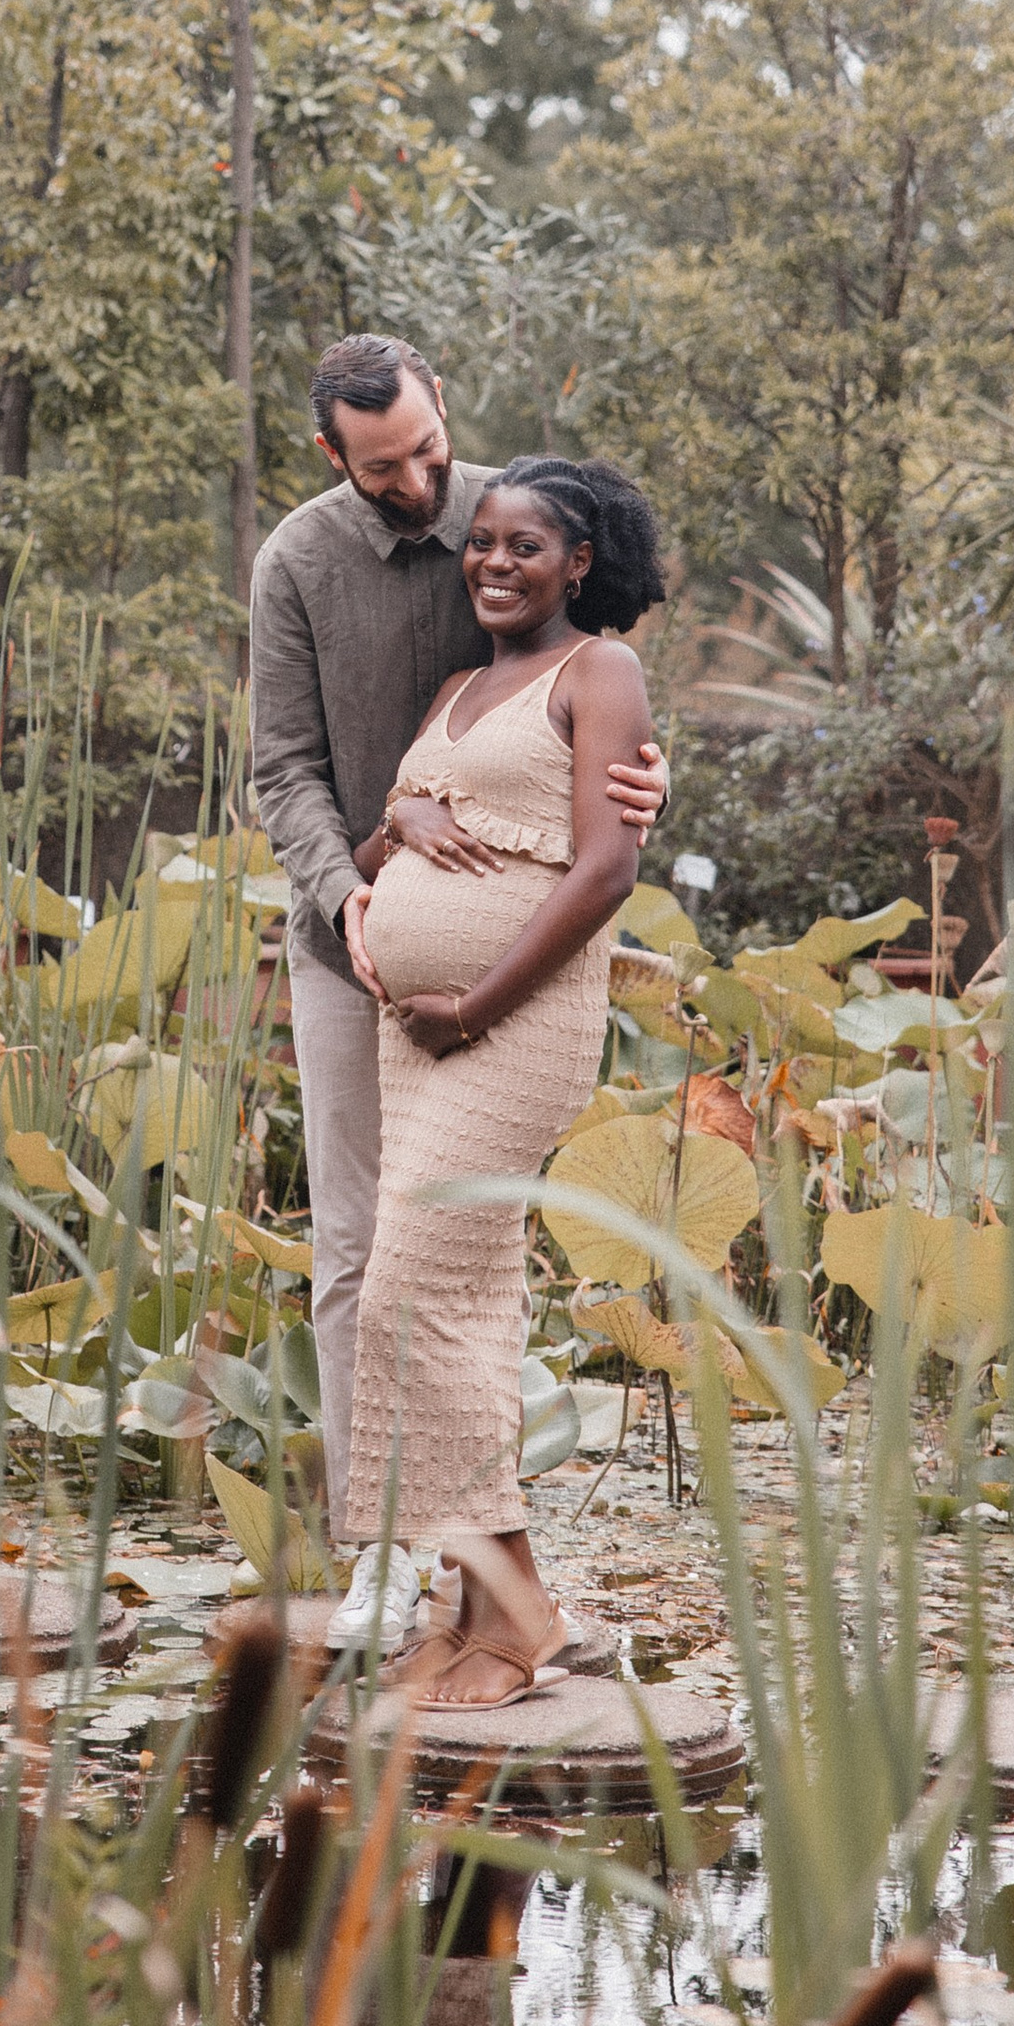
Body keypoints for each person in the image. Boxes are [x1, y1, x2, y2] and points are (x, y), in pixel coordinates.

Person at [248, 337, 666, 1651]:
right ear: (334, 459)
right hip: (348, 954)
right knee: (357, 1254)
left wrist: (654, 787)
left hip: (503, 991)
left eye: (432, 448)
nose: (424, 484)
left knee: (447, 1269)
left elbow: (601, 691)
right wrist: (355, 885)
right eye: (388, 468)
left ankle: (487, 1582)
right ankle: (376, 1555)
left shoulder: (512, 513)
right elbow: (283, 768)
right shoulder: (296, 565)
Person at [341, 455, 665, 1703]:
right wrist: (396, 826)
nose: (491, 562)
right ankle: (475, 1617)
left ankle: (515, 1608)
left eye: (524, 546)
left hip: (506, 1029)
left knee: (407, 1292)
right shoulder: (460, 684)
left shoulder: (602, 672)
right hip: (411, 1035)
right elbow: (390, 841)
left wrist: (470, 1004)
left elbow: (605, 871)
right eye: (481, 543)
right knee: (455, 1307)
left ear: (577, 564)